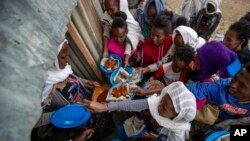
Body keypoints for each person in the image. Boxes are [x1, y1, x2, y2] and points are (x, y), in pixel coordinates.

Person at [32, 40, 114, 141]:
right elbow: (33, 120)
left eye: (68, 55)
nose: (68, 60)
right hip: (80, 121)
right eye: (63, 57)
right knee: (92, 134)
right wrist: (58, 114)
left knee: (106, 124)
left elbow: (75, 80)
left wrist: (87, 82)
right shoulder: (42, 89)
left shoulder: (62, 70)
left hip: (91, 105)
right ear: (50, 60)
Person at [83, 81, 196, 141]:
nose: (158, 106)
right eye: (161, 101)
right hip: (153, 127)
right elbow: (135, 104)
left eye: (164, 108)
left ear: (177, 116)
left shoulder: (177, 134)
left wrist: (154, 137)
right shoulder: (163, 103)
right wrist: (106, 107)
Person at [141, 25, 206, 74]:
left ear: (188, 42)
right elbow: (165, 60)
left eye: (179, 46)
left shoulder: (198, 53)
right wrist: (148, 68)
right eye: (175, 44)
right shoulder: (175, 45)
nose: (177, 48)